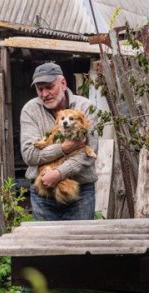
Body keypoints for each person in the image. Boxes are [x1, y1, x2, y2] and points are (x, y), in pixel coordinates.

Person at [20, 62, 98, 221]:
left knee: (81, 242)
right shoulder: (30, 110)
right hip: (43, 192)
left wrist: (58, 174)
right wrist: (65, 148)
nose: (44, 94)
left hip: (80, 193)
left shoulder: (86, 108)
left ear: (63, 83)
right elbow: (30, 155)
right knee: (46, 244)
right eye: (39, 89)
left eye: (49, 87)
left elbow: (88, 154)